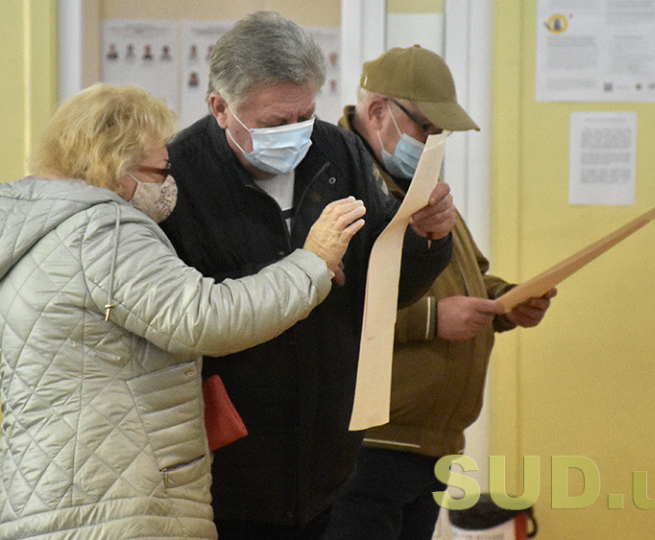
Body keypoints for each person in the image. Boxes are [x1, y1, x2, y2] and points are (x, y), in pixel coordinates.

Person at [0, 83, 366, 540]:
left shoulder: (37, 233)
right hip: (116, 504)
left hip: (57, 493)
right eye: (160, 171)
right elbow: (204, 318)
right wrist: (311, 262)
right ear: (114, 167)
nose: (169, 185)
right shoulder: (101, 232)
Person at [158, 12, 457, 539]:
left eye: (306, 114)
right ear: (221, 108)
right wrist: (303, 270)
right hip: (226, 467)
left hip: (330, 459)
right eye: (276, 123)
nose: (297, 134)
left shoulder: (337, 151)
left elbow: (383, 284)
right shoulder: (179, 178)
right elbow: (180, 313)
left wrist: (426, 239)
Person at [326, 46, 557, 540]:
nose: (434, 142)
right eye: (425, 127)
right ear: (376, 111)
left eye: (441, 132)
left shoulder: (416, 182)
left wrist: (507, 302)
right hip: (368, 448)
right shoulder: (335, 183)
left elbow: (467, 275)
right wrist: (433, 320)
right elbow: (326, 308)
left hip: (430, 447)